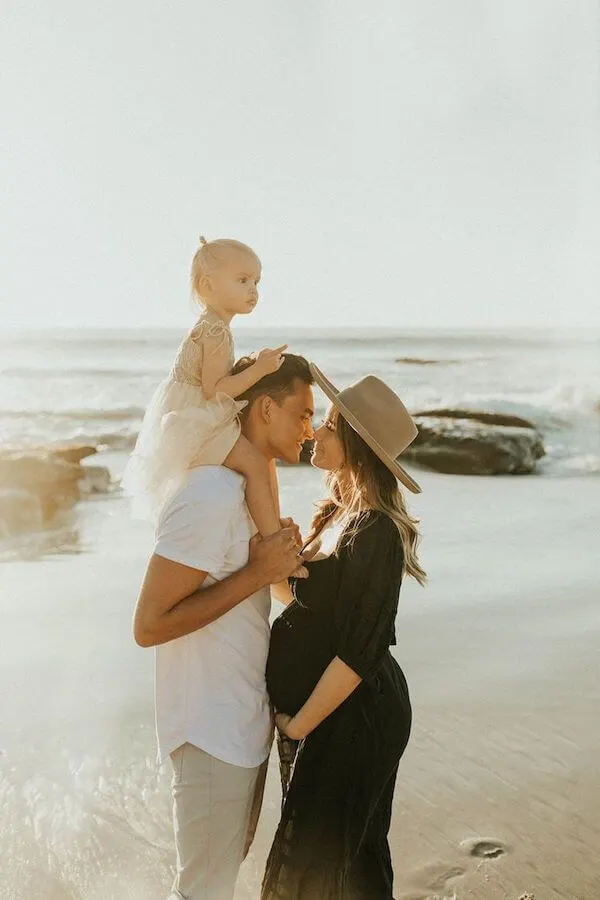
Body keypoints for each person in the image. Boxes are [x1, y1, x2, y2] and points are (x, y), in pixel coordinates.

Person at [133, 353, 315, 900]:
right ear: (265, 409)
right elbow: (148, 624)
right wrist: (260, 569)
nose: (310, 430)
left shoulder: (249, 495)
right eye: (302, 414)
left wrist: (282, 568)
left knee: (216, 883)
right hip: (210, 730)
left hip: (243, 724)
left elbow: (269, 592)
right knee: (203, 892)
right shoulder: (209, 493)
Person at [262, 366, 427, 900]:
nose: (315, 431)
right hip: (331, 710)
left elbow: (359, 651)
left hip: (357, 715)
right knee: (350, 859)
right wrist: (281, 566)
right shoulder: (336, 512)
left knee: (315, 862)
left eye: (330, 424)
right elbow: (310, 611)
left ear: (355, 443)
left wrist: (296, 726)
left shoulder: (376, 531)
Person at [122, 236, 287, 537]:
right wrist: (260, 370)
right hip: (196, 420)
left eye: (256, 282)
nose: (253, 290)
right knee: (255, 465)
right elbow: (216, 390)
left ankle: (264, 528)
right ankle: (274, 542)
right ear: (207, 286)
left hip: (191, 413)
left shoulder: (212, 324)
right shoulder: (215, 330)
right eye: (242, 280)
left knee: (253, 460)